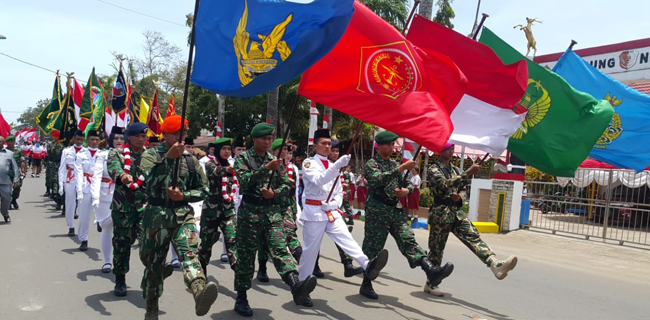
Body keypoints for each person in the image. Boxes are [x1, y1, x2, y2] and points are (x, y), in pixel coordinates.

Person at [233, 122, 316, 317]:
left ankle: (295, 284)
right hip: (250, 214)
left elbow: (286, 186)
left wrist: (275, 193)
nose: (268, 142)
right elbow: (244, 182)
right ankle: (242, 297)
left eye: (270, 139)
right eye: (264, 139)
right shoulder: (243, 158)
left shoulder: (275, 159)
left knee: (280, 248)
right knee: (246, 257)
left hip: (271, 213)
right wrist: (265, 168)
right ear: (254, 139)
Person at [139, 115, 217, 319]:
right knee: (153, 265)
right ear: (165, 134)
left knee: (189, 254)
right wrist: (168, 160)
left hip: (182, 215)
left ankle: (199, 291)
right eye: (177, 134)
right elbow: (147, 182)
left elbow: (203, 189)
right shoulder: (151, 155)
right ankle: (152, 307)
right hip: (156, 217)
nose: (182, 138)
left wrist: (185, 196)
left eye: (184, 134)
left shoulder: (191, 160)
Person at [300, 129, 388, 306]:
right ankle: (302, 287)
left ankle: (367, 265)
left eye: (328, 143)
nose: (326, 146)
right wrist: (337, 166)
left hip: (330, 212)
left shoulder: (333, 166)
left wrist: (333, 204)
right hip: (314, 212)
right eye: (323, 143)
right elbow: (318, 180)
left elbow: (339, 192)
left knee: (347, 238)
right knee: (310, 251)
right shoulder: (309, 163)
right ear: (315, 145)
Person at [361, 131, 454, 300]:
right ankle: (366, 284)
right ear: (379, 146)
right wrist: (401, 168)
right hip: (377, 211)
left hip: (394, 211)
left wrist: (406, 191)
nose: (392, 148)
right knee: (373, 248)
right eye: (389, 145)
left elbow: (410, 183)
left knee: (408, 240)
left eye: (393, 144)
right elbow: (378, 180)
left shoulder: (393, 164)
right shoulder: (372, 164)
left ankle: (431, 271)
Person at [425, 142, 517, 296]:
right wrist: (468, 172)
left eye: (452, 148)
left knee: (473, 237)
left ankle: (495, 263)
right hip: (440, 213)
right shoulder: (434, 169)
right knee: (436, 251)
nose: (451, 151)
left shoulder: (455, 170)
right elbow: (444, 184)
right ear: (440, 150)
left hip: (456, 212)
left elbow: (463, 190)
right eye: (448, 148)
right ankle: (431, 282)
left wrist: (458, 198)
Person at [107, 123, 155, 297]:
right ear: (130, 137)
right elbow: (113, 168)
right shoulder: (117, 153)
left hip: (145, 208)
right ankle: (120, 279)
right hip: (123, 208)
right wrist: (122, 175)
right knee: (122, 245)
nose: (142, 139)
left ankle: (150, 278)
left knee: (149, 243)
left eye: (144, 136)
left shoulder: (151, 155)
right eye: (138, 136)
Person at [256, 139, 303, 282]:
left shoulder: (291, 169)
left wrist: (294, 209)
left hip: (286, 206)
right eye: (282, 150)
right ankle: (262, 268)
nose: (286, 154)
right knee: (264, 240)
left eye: (288, 151)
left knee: (290, 234)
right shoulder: (268, 165)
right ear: (274, 151)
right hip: (269, 207)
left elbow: (292, 192)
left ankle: (302, 262)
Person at [198, 137, 238, 275]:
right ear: (217, 151)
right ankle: (201, 274)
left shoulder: (233, 164)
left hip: (228, 210)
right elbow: (217, 172)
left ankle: (238, 274)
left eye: (229, 149)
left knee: (232, 240)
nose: (227, 152)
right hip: (211, 211)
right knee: (206, 244)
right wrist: (228, 169)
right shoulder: (210, 164)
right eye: (224, 149)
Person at [91, 126, 125, 273]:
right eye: (116, 138)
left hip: (125, 196)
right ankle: (107, 261)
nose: (119, 141)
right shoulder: (103, 155)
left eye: (122, 138)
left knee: (123, 231)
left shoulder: (130, 154)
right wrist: (95, 196)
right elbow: (97, 175)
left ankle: (121, 263)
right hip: (106, 195)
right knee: (107, 227)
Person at [75, 130, 101, 252]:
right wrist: (79, 190)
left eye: (97, 139)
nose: (94, 142)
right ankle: (84, 239)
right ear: (88, 140)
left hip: (99, 186)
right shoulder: (81, 155)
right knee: (84, 216)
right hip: (86, 185)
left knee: (102, 211)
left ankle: (100, 223)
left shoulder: (103, 155)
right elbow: (79, 173)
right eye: (92, 139)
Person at [59, 130, 85, 236]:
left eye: (81, 139)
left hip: (83, 178)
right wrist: (60, 184)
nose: (79, 141)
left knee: (83, 203)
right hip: (69, 177)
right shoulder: (67, 151)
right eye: (77, 139)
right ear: (74, 139)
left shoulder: (86, 151)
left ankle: (82, 227)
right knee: (70, 203)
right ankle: (71, 226)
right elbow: (62, 168)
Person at [0, 136, 20, 223]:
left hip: (5, 180)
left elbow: (15, 168)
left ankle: (5, 213)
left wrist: (15, 180)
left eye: (0, 141)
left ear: (3, 142)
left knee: (6, 198)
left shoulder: (9, 153)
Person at [5, 136, 26, 210]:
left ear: (14, 141)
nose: (10, 143)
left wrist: (23, 171)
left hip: (16, 171)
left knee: (17, 187)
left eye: (11, 141)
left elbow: (22, 161)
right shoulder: (4, 150)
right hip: (6, 171)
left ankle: (14, 200)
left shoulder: (18, 150)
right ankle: (8, 202)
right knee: (7, 188)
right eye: (8, 142)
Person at [48, 140, 64, 210]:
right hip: (57, 166)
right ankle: (59, 201)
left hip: (70, 170)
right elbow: (52, 154)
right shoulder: (57, 146)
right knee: (56, 182)